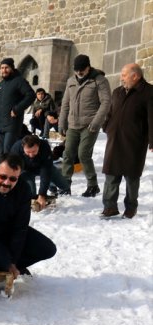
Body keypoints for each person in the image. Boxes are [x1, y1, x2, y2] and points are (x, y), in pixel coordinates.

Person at [100, 63, 153, 219]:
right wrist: (106, 126)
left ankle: (131, 207)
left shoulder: (149, 92)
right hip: (114, 139)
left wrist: (152, 140)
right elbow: (110, 112)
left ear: (135, 76)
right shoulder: (117, 92)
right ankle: (109, 207)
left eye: (124, 75)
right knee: (111, 173)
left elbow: (152, 118)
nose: (121, 77)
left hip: (134, 141)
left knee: (131, 176)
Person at [59, 54, 112, 198]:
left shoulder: (99, 80)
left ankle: (92, 185)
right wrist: (61, 122)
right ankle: (65, 185)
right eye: (77, 70)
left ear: (88, 67)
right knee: (68, 154)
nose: (79, 72)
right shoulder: (71, 81)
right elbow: (65, 103)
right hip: (72, 125)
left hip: (89, 125)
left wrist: (96, 122)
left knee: (83, 154)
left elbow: (106, 102)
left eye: (82, 69)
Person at [10, 135, 70, 210]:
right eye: (28, 152)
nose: (31, 155)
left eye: (34, 151)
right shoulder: (16, 149)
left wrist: (42, 194)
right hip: (25, 170)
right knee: (30, 195)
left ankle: (54, 187)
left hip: (42, 167)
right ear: (23, 147)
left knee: (64, 185)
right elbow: (14, 171)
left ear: (38, 146)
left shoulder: (44, 146)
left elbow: (46, 171)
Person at [0, 58, 35, 157]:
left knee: (8, 150)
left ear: (12, 68)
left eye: (6, 67)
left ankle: (12, 171)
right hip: (1, 123)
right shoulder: (0, 85)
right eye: (2, 68)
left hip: (13, 123)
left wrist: (17, 109)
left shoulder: (19, 81)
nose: (4, 70)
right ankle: (1, 171)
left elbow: (30, 95)